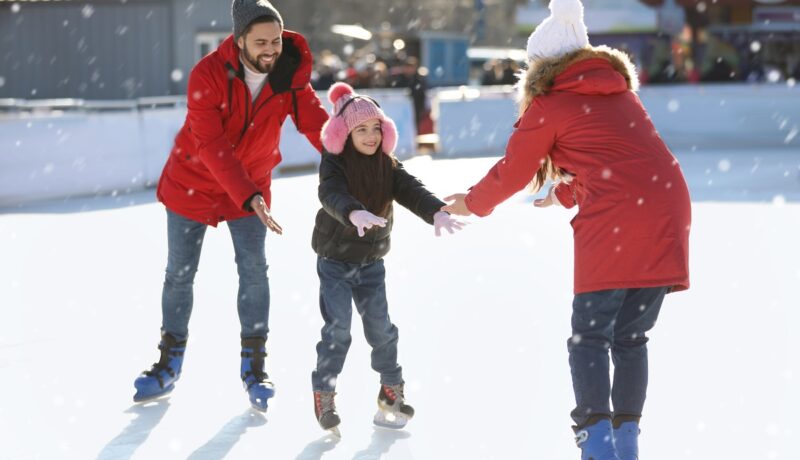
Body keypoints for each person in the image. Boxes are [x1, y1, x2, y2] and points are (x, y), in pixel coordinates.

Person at [441, 0, 691, 459]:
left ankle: (597, 443)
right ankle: (625, 442)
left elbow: (516, 170)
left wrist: (472, 203)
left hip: (619, 216)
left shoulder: (551, 102)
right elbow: (622, 163)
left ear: (542, 67)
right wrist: (563, 194)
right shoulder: (621, 94)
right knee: (631, 337)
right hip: (667, 204)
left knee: (590, 337)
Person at [132, 0, 329, 412]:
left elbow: (314, 123)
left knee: (254, 271)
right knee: (179, 275)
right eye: (260, 42)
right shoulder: (208, 74)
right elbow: (211, 145)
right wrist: (251, 196)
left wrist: (350, 158)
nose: (271, 50)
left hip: (251, 182)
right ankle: (169, 362)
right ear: (239, 40)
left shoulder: (288, 70)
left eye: (275, 40)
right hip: (193, 183)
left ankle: (254, 366)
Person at [310, 82, 463, 435]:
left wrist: (436, 211)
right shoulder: (334, 164)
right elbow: (329, 193)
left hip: (371, 264)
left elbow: (411, 189)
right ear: (344, 134)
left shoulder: (387, 165)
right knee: (338, 331)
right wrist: (352, 213)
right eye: (360, 129)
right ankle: (325, 392)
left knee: (382, 330)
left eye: (375, 128)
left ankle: (390, 390)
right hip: (334, 261)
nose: (370, 136)